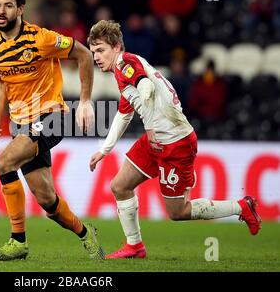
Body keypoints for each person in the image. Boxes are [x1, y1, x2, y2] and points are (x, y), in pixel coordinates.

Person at [87, 20, 262, 259]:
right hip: (156, 139)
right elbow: (124, 113)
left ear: (116, 46)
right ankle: (134, 245)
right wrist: (105, 150)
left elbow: (145, 87)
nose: (96, 57)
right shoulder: (122, 70)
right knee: (120, 186)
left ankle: (242, 206)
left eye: (100, 50)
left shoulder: (126, 63)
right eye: (93, 51)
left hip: (174, 141)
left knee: (178, 212)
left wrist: (148, 126)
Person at [0, 0, 104, 261]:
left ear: (21, 9)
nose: (1, 11)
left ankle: (18, 241)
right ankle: (86, 234)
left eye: (8, 5)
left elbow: (83, 54)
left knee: (4, 162)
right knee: (47, 200)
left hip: (52, 117)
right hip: (22, 125)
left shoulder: (41, 38)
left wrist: (84, 101)